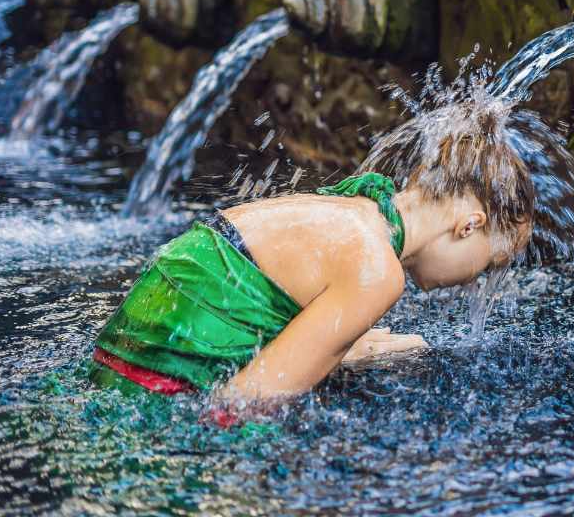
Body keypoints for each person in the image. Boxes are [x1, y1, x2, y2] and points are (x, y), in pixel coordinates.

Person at [89, 127, 535, 412]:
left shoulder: (356, 208)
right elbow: (244, 401)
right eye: (489, 263)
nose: (476, 279)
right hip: (154, 385)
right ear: (469, 225)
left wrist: (354, 348)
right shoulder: (378, 271)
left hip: (123, 351)